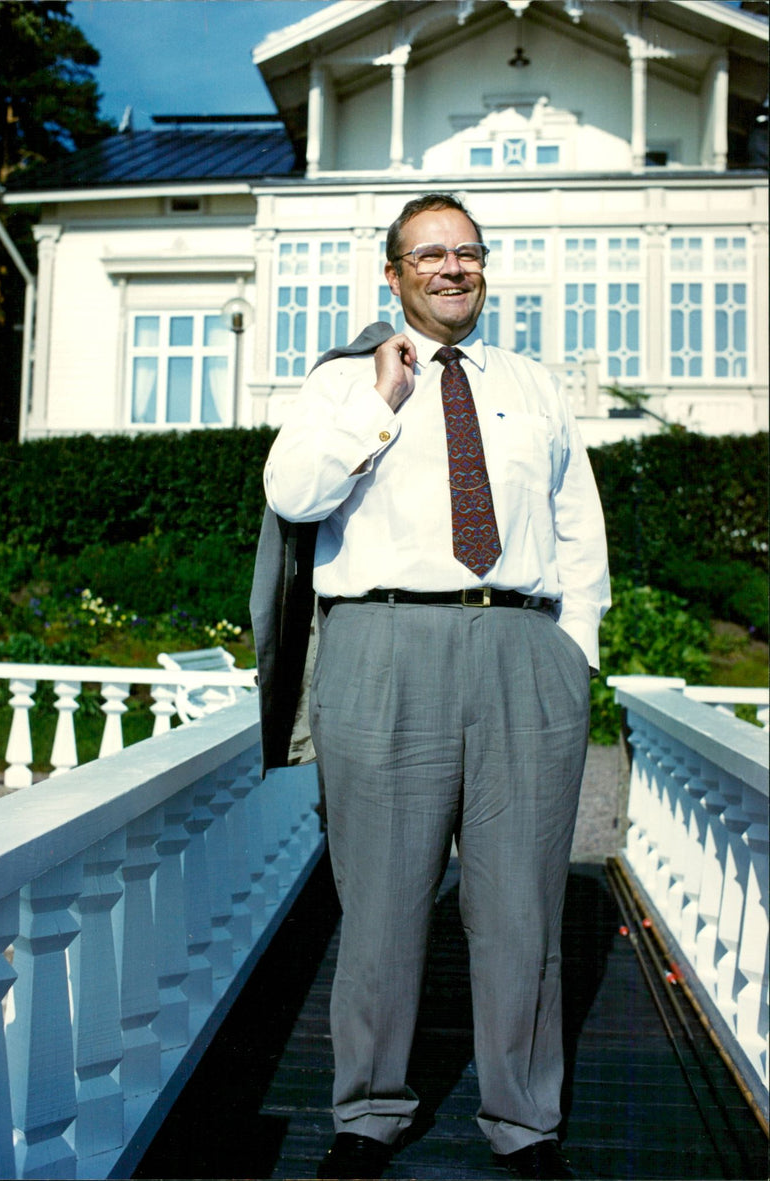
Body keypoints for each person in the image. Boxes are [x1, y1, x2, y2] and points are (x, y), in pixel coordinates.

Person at [257, 193, 610, 1180]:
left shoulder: (534, 385)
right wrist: (381, 399)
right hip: (383, 642)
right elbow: (292, 494)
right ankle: (368, 1111)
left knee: (521, 906)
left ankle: (522, 1120)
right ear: (392, 272)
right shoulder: (341, 381)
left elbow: (575, 528)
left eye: (467, 252)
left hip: (521, 649)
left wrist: (569, 646)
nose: (452, 268)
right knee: (379, 899)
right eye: (429, 253)